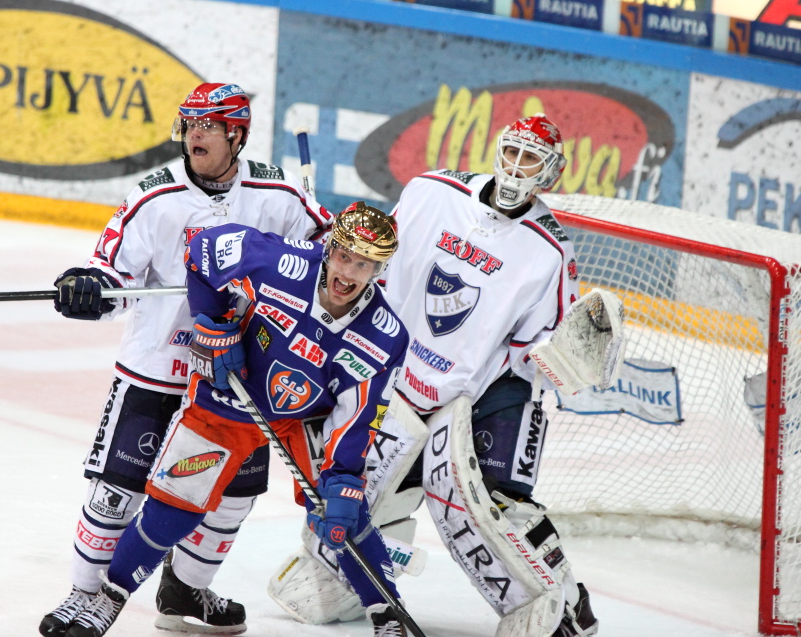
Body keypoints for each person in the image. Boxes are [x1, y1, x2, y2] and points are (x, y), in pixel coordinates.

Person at [270, 114, 608, 636]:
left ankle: (566, 601)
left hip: (483, 393)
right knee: (357, 491)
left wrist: (561, 358)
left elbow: (540, 343)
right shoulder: (432, 190)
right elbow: (375, 258)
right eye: (513, 152)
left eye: (531, 159)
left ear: (550, 173)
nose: (518, 167)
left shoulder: (550, 248)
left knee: (502, 504)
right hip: (396, 376)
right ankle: (351, 579)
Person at [40, 82, 333, 637]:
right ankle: (83, 596)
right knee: (117, 490)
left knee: (233, 496)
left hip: (239, 379)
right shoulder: (155, 197)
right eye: (188, 123)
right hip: (158, 371)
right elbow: (113, 273)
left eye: (207, 125)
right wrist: (90, 287)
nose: (193, 134)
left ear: (236, 134)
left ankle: (185, 589)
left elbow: (328, 262)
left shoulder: (279, 194)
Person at [62, 202, 413, 637]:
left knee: (345, 511)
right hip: (229, 397)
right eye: (344, 255)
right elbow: (201, 249)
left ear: (380, 268)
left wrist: (342, 476)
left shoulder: (385, 335)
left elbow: (357, 414)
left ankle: (387, 613)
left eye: (365, 264)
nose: (349, 272)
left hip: (301, 419)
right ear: (330, 248)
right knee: (175, 505)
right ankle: (108, 597)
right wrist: (213, 323)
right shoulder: (277, 261)